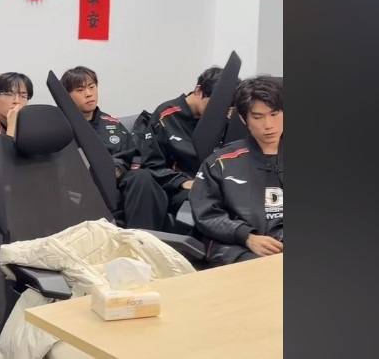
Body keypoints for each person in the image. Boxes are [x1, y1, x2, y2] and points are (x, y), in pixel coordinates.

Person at [189, 75, 284, 266]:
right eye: (258, 117)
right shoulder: (220, 162)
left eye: (274, 114)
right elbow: (206, 214)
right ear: (243, 118)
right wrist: (246, 236)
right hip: (239, 247)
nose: (268, 125)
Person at [61, 66, 168, 230]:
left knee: (143, 177)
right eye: (80, 90)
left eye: (92, 87)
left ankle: (139, 236)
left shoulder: (112, 124)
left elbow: (134, 155)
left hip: (116, 183)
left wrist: (116, 167)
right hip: (80, 186)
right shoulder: (60, 127)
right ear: (66, 95)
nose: (89, 94)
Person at [136, 66, 225, 215]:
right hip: (179, 188)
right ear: (198, 91)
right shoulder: (166, 115)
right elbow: (152, 165)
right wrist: (184, 182)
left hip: (215, 185)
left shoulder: (223, 119)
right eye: (214, 105)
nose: (219, 113)